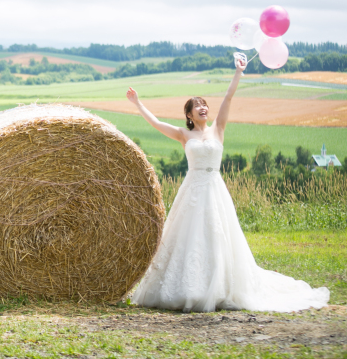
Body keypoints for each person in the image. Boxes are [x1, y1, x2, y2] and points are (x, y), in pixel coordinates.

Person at [126, 59, 329, 312]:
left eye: (204, 105)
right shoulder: (183, 134)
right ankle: (189, 285)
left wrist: (238, 72)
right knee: (187, 239)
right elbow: (156, 123)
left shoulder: (218, 129)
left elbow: (228, 98)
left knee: (218, 234)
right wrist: (137, 103)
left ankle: (220, 287)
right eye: (196, 106)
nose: (202, 107)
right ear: (188, 115)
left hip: (214, 189)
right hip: (192, 190)